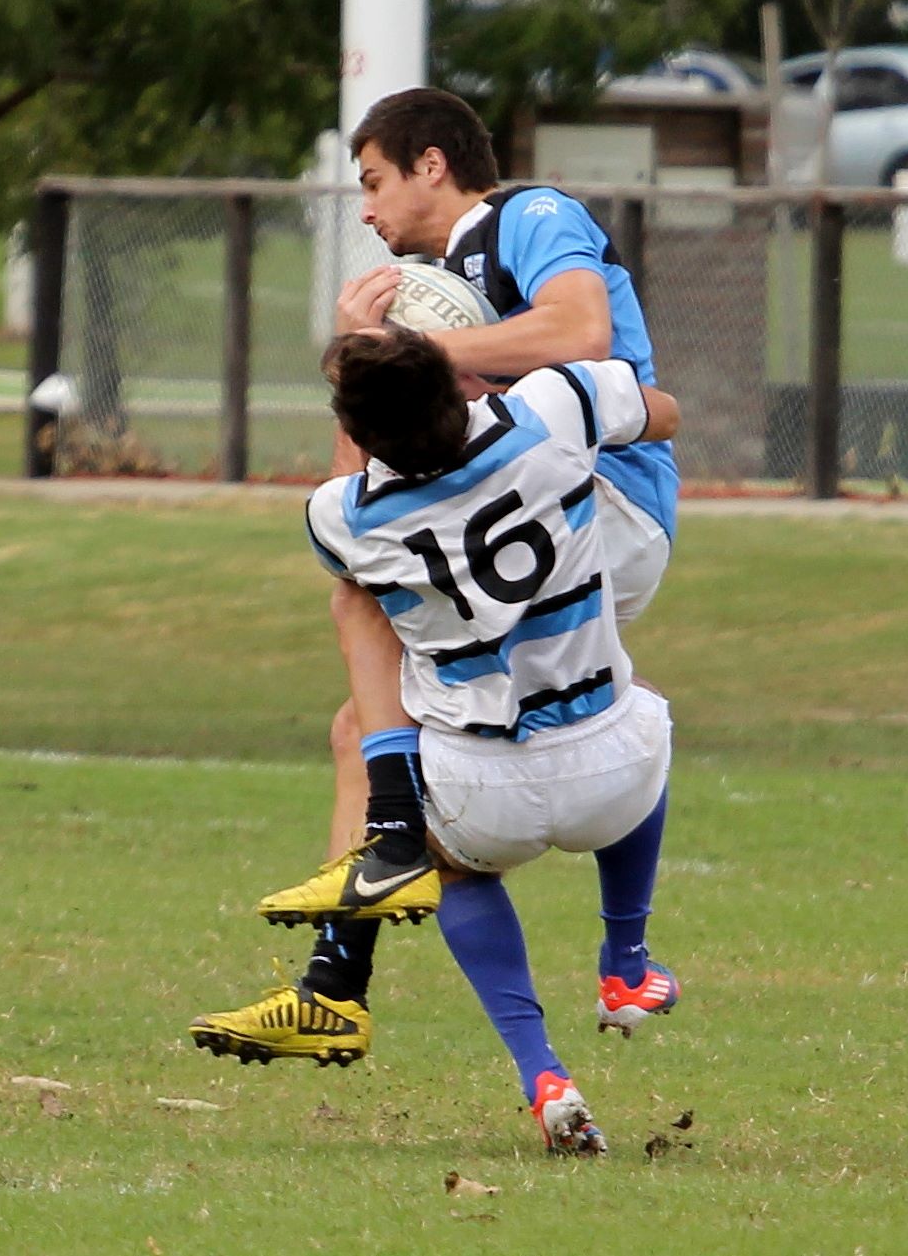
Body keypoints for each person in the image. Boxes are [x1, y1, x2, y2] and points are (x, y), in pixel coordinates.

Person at [242, 87, 681, 1031]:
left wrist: (407, 351)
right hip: (548, 504)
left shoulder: (528, 215)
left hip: (605, 499)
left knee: (372, 633)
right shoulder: (459, 266)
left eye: (372, 181)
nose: (364, 209)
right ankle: (333, 984)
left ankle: (391, 923)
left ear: (431, 165)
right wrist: (370, 367)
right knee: (358, 725)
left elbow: (580, 333)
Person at [191, 328, 681, 1154]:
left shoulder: (341, 514)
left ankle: (543, 1073)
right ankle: (626, 959)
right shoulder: (554, 407)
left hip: (479, 786)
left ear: (357, 429)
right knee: (643, 711)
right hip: (616, 769)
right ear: (457, 390)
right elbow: (663, 416)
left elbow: (354, 545)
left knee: (444, 862)